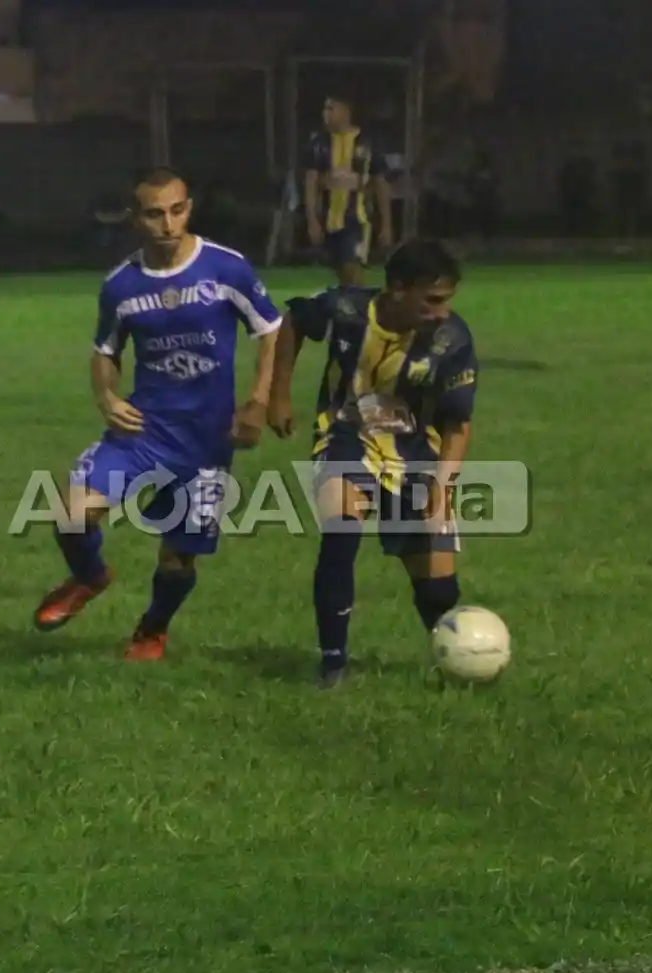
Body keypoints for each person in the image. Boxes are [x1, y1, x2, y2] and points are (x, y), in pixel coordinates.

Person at [33, 166, 281, 660]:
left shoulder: (226, 268)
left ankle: (152, 629)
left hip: (208, 440)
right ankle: (89, 576)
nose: (168, 223)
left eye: (178, 210)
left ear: (189, 208)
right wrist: (107, 397)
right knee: (70, 512)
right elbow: (105, 351)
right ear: (135, 218)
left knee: (177, 557)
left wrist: (259, 400)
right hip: (144, 430)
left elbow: (271, 329)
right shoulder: (121, 285)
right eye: (154, 214)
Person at [267, 239, 478, 687]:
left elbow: (458, 427)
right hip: (344, 436)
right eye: (433, 300)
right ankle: (333, 664)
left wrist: (441, 493)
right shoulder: (345, 309)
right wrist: (279, 394)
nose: (442, 311)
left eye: (447, 301)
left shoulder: (452, 339)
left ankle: (460, 660)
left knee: (438, 590)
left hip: (416, 452)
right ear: (398, 289)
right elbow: (294, 321)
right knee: (341, 532)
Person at [303, 95, 393, 286]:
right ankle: (353, 312)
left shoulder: (366, 143)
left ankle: (364, 312)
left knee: (353, 273)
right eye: (325, 109)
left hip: (357, 220)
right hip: (328, 221)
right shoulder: (319, 144)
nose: (325, 114)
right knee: (343, 278)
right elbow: (311, 183)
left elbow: (381, 184)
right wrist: (312, 221)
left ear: (345, 111)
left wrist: (386, 224)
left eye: (331, 109)